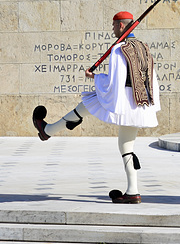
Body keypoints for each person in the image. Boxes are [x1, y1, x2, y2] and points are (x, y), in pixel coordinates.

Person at [32, 11, 160, 204]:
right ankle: (133, 192)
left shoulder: (119, 49)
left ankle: (47, 130)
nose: (112, 28)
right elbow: (152, 78)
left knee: (88, 104)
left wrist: (95, 77)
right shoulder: (144, 47)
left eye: (114, 25)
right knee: (125, 144)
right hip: (140, 102)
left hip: (121, 99)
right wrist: (150, 103)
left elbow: (114, 82)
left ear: (122, 26)